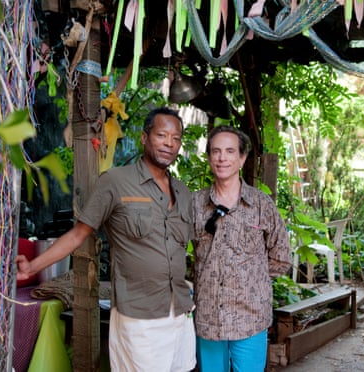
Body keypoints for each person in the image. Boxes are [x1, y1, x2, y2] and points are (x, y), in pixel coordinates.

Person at [15, 107, 196, 372]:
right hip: (139, 314)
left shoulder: (182, 191)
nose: (170, 143)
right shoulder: (115, 181)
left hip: (179, 311)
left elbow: (178, 248)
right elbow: (78, 234)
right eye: (162, 135)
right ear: (145, 137)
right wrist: (32, 267)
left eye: (176, 138)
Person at [191, 126, 291, 372]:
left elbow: (281, 257)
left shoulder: (261, 204)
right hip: (208, 316)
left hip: (250, 317)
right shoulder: (194, 204)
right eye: (216, 151)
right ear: (209, 157)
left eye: (229, 151)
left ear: (242, 158)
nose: (222, 158)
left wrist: (249, 280)